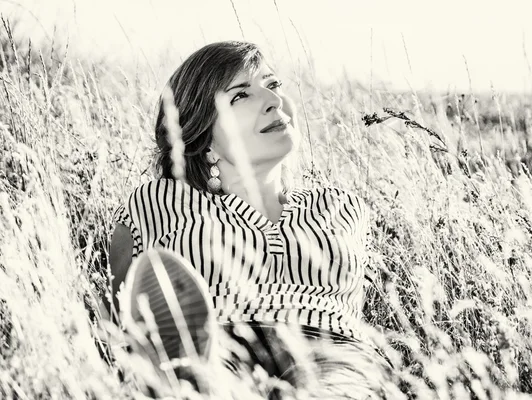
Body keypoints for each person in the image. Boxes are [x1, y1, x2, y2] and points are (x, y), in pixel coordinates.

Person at [108, 41, 392, 398]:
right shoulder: (155, 199)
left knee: (333, 391)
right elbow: (118, 310)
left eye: (273, 85)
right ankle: (185, 369)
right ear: (200, 128)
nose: (274, 101)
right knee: (214, 384)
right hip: (221, 332)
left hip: (329, 341)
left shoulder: (340, 206)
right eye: (240, 96)